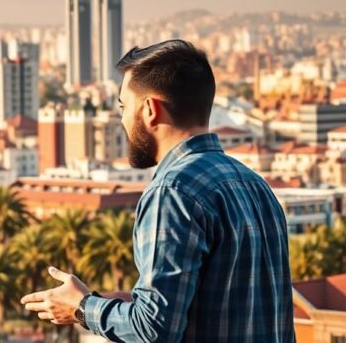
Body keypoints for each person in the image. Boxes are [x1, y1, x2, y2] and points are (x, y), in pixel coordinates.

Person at [21, 40, 294, 342]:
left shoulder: (173, 192)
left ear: (150, 109)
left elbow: (154, 330)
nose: (123, 120)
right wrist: (121, 304)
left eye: (124, 107)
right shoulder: (256, 186)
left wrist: (82, 307)